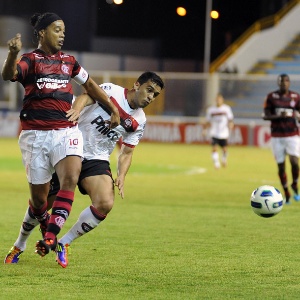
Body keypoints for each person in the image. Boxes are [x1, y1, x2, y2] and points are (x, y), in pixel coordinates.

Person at [4, 71, 165, 268]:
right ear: (137, 85)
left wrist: (121, 175)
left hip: (96, 159)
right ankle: (19, 244)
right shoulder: (112, 91)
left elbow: (127, 152)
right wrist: (77, 110)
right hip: (71, 149)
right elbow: (85, 97)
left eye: (155, 95)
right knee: (42, 203)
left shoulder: (140, 120)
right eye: (149, 90)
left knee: (105, 202)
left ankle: (64, 242)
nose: (150, 97)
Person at [1, 12, 120, 257]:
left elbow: (89, 86)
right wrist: (12, 53)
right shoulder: (30, 60)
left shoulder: (70, 61)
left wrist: (112, 108)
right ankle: (30, 236)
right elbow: (8, 75)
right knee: (39, 202)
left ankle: (51, 237)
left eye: (63, 29)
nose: (62, 33)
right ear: (42, 32)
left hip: (66, 132)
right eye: (57, 29)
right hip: (35, 136)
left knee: (70, 178)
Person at [262, 73, 300, 204]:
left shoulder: (296, 97)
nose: (283, 83)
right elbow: (265, 116)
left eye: (286, 81)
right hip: (277, 136)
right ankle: (287, 193)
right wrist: (279, 116)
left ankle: (295, 183)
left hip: (292, 135)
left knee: (294, 161)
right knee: (281, 167)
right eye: (281, 81)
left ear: (289, 83)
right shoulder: (271, 97)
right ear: (278, 83)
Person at [204, 93, 234, 169]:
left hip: (223, 132)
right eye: (217, 99)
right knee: (214, 148)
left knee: (224, 149)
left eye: (219, 99)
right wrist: (204, 130)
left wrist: (231, 124)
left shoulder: (226, 109)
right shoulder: (211, 110)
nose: (218, 101)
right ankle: (216, 163)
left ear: (222, 100)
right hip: (214, 132)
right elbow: (208, 121)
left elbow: (230, 119)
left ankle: (224, 159)